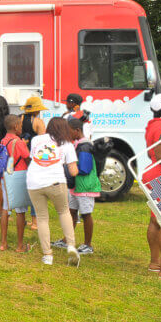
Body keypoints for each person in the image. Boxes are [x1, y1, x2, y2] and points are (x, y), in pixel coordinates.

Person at [27, 117, 80, 266]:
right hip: (56, 181)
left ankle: (47, 255)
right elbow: (73, 171)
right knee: (63, 211)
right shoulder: (67, 144)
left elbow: (34, 158)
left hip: (34, 182)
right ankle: (71, 246)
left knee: (42, 218)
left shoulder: (36, 140)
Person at [52, 118, 101, 254]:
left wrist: (67, 168)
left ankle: (87, 245)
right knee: (72, 212)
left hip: (85, 187)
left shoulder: (84, 146)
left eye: (69, 132)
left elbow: (84, 168)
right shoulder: (77, 144)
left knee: (86, 215)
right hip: (76, 187)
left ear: (77, 131)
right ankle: (66, 240)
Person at [143, 93, 161, 281]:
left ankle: (156, 263)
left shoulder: (154, 126)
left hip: (154, 173)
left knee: (156, 221)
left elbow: (152, 154)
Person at [0, 115, 31, 252]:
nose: (22, 128)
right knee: (20, 211)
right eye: (21, 125)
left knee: (5, 208)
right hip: (18, 176)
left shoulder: (3, 140)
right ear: (16, 127)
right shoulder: (18, 142)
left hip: (5, 176)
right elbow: (27, 158)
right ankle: (19, 245)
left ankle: (3, 243)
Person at [20, 95, 47, 230]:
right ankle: (35, 222)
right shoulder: (38, 122)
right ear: (37, 110)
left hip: (22, 157)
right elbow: (43, 141)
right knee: (35, 189)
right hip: (34, 158)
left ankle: (24, 218)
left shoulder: (20, 119)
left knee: (24, 188)